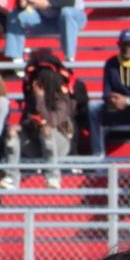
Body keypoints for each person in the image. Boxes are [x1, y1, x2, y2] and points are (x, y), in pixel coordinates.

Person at [21, 50, 84, 189]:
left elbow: (52, 122)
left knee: (47, 130)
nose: (40, 80)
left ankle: (53, 177)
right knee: (13, 133)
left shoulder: (63, 97)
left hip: (61, 142)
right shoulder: (31, 91)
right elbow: (26, 120)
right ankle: (11, 177)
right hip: (37, 142)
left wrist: (40, 99)